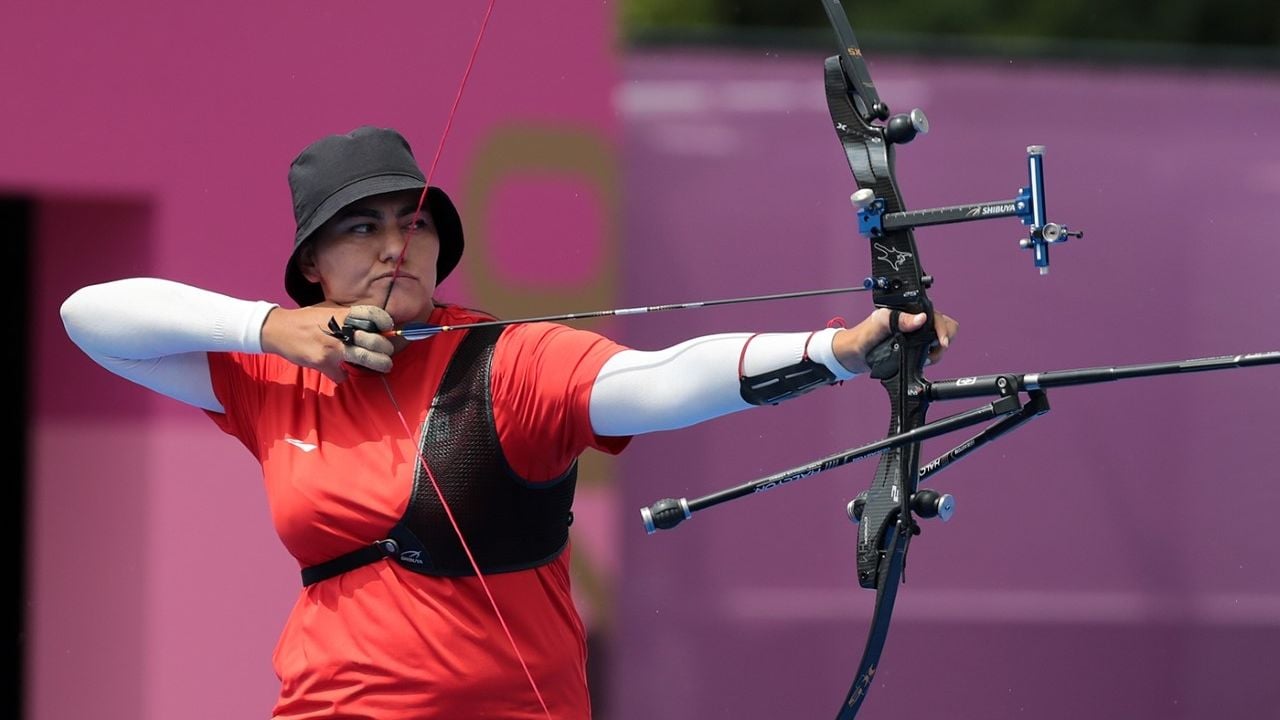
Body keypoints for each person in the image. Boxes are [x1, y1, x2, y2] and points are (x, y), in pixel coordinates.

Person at [60, 125, 958, 720]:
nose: (394, 245)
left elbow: (658, 381)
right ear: (311, 269)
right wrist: (268, 328)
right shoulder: (273, 376)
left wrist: (839, 349)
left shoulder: (509, 361)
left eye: (414, 222)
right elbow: (90, 318)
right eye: (360, 228)